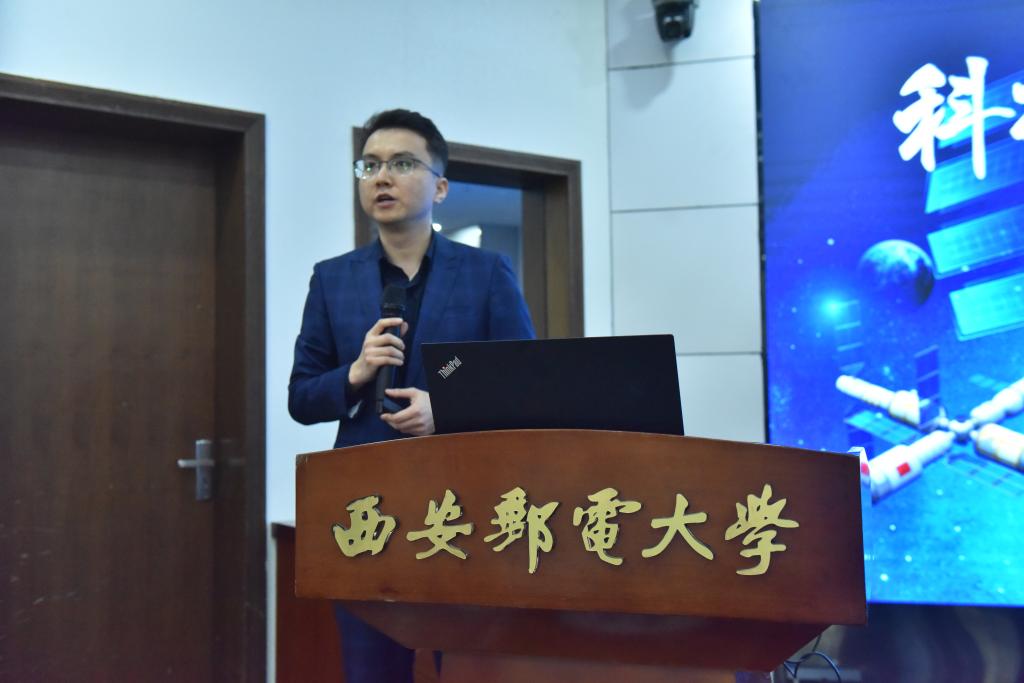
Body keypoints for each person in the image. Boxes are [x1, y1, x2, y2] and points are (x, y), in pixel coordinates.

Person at [288, 108, 535, 683]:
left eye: (401, 164)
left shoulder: (486, 273)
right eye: (369, 165)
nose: (381, 177)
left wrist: (446, 409)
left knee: (470, 670)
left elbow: (526, 385)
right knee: (371, 671)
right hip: (365, 512)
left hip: (466, 510)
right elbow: (301, 397)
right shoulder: (332, 278)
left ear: (439, 187)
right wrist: (354, 373)